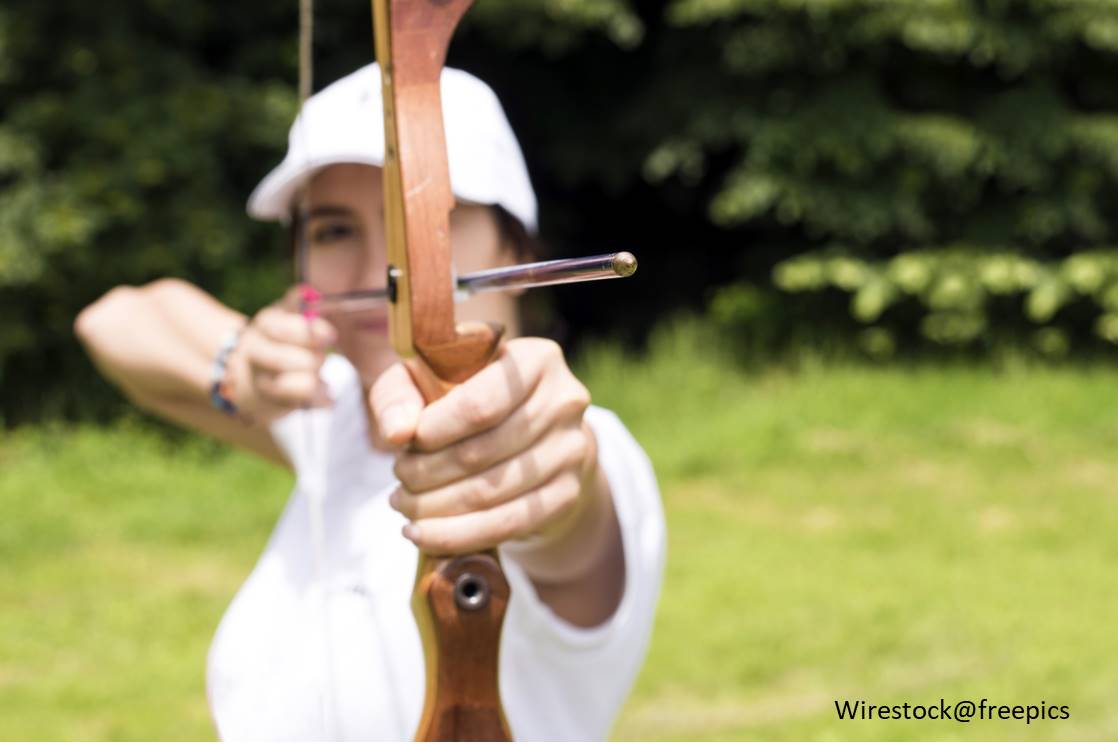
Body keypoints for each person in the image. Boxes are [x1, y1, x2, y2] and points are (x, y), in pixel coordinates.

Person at [75, 62, 665, 741]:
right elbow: (114, 320)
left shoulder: (580, 440)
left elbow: (564, 506)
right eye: (332, 231)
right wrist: (238, 363)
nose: (379, 275)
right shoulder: (335, 421)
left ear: (514, 246)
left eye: (422, 222)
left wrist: (539, 466)